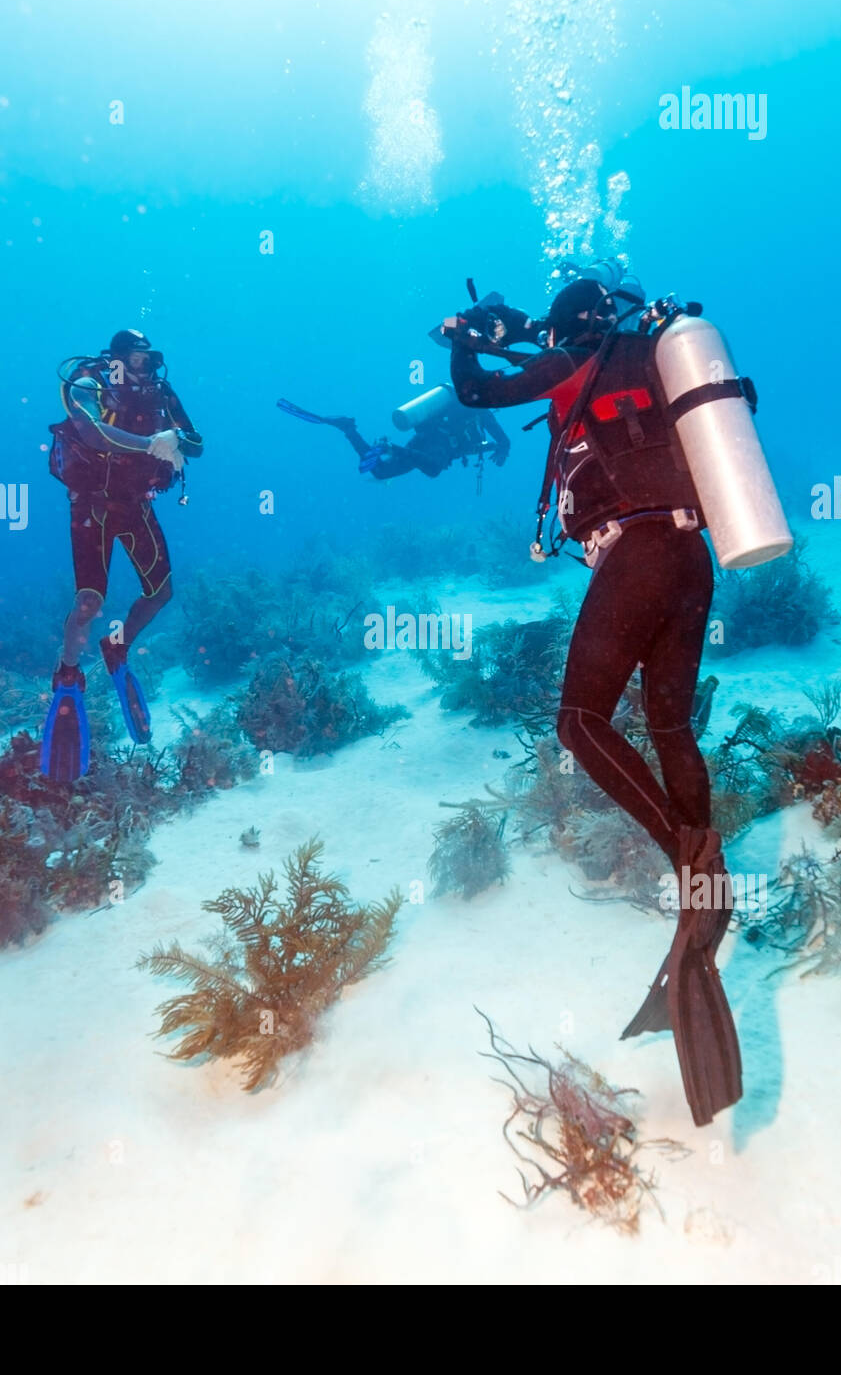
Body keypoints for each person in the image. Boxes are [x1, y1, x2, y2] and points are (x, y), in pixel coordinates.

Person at [447, 278, 742, 1128]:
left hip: (637, 554)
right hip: (693, 557)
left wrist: (463, 335)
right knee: (671, 724)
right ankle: (702, 882)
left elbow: (476, 393)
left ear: (569, 329)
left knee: (578, 721)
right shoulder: (657, 359)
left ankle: (692, 862)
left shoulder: (576, 363)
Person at [41, 329, 203, 780]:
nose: (143, 366)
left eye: (149, 358)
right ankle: (68, 674)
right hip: (92, 503)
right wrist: (153, 444)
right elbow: (90, 432)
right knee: (90, 602)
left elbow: (197, 441)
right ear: (115, 356)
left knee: (161, 591)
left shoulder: (158, 390)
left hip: (136, 503)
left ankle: (117, 645)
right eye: (135, 358)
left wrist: (178, 440)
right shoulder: (87, 378)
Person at [277, 389, 510, 482]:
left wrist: (497, 448)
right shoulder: (482, 410)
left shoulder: (467, 404)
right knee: (433, 469)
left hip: (425, 439)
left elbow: (497, 442)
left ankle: (349, 430)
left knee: (381, 471)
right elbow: (503, 439)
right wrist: (502, 448)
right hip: (437, 445)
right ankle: (392, 448)